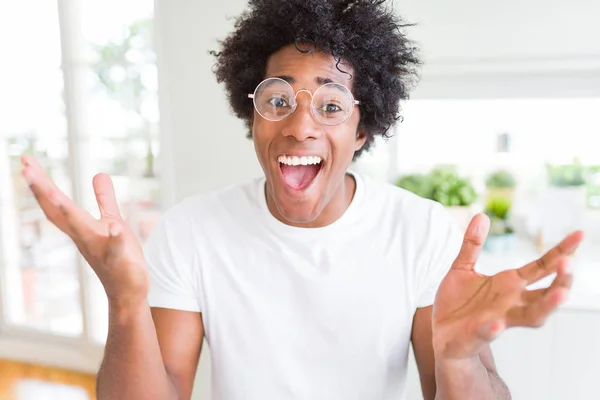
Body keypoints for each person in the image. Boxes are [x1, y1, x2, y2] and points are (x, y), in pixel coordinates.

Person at [21, 0, 584, 399]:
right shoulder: (191, 230)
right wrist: (124, 302)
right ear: (253, 117)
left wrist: (459, 361)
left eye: (332, 106)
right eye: (279, 99)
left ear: (364, 129)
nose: (300, 127)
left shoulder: (423, 232)